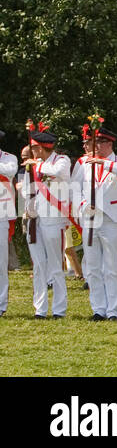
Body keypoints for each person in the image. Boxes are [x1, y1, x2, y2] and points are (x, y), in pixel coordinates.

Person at [77, 120, 117, 321]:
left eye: (100, 142)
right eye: (95, 142)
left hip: (110, 218)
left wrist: (104, 163)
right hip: (90, 218)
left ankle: (113, 310)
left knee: (111, 267)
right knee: (92, 266)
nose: (96, 146)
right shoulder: (84, 163)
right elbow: (75, 189)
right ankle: (98, 308)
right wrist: (83, 205)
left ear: (109, 144)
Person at [21, 125, 70, 319]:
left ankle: (59, 309)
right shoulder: (33, 164)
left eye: (34, 148)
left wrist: (36, 165)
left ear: (40, 148)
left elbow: (58, 172)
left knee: (56, 266)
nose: (31, 152)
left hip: (54, 219)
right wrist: (28, 205)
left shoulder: (62, 161)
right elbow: (26, 188)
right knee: (39, 265)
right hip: (35, 220)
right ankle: (40, 309)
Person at [0, 129, 15, 317]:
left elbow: (10, 171)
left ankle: (1, 304)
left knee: (1, 261)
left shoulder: (8, 158)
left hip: (1, 213)